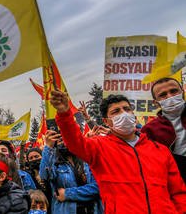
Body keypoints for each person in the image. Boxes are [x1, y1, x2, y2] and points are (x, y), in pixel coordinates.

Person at [50, 90, 186, 213]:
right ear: (107, 121)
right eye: (116, 111)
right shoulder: (99, 148)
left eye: (127, 109)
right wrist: (64, 113)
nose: (123, 113)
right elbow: (75, 143)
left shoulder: (160, 150)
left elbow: (178, 192)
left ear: (133, 114)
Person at [39, 130, 103, 214]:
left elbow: (99, 187)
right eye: (60, 140)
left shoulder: (87, 160)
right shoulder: (54, 164)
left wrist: (67, 194)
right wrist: (48, 147)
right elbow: (44, 176)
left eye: (66, 138)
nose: (64, 143)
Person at [142, 77, 186, 182]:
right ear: (156, 102)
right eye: (163, 95)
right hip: (176, 183)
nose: (170, 96)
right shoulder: (149, 130)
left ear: (183, 92)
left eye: (174, 91)